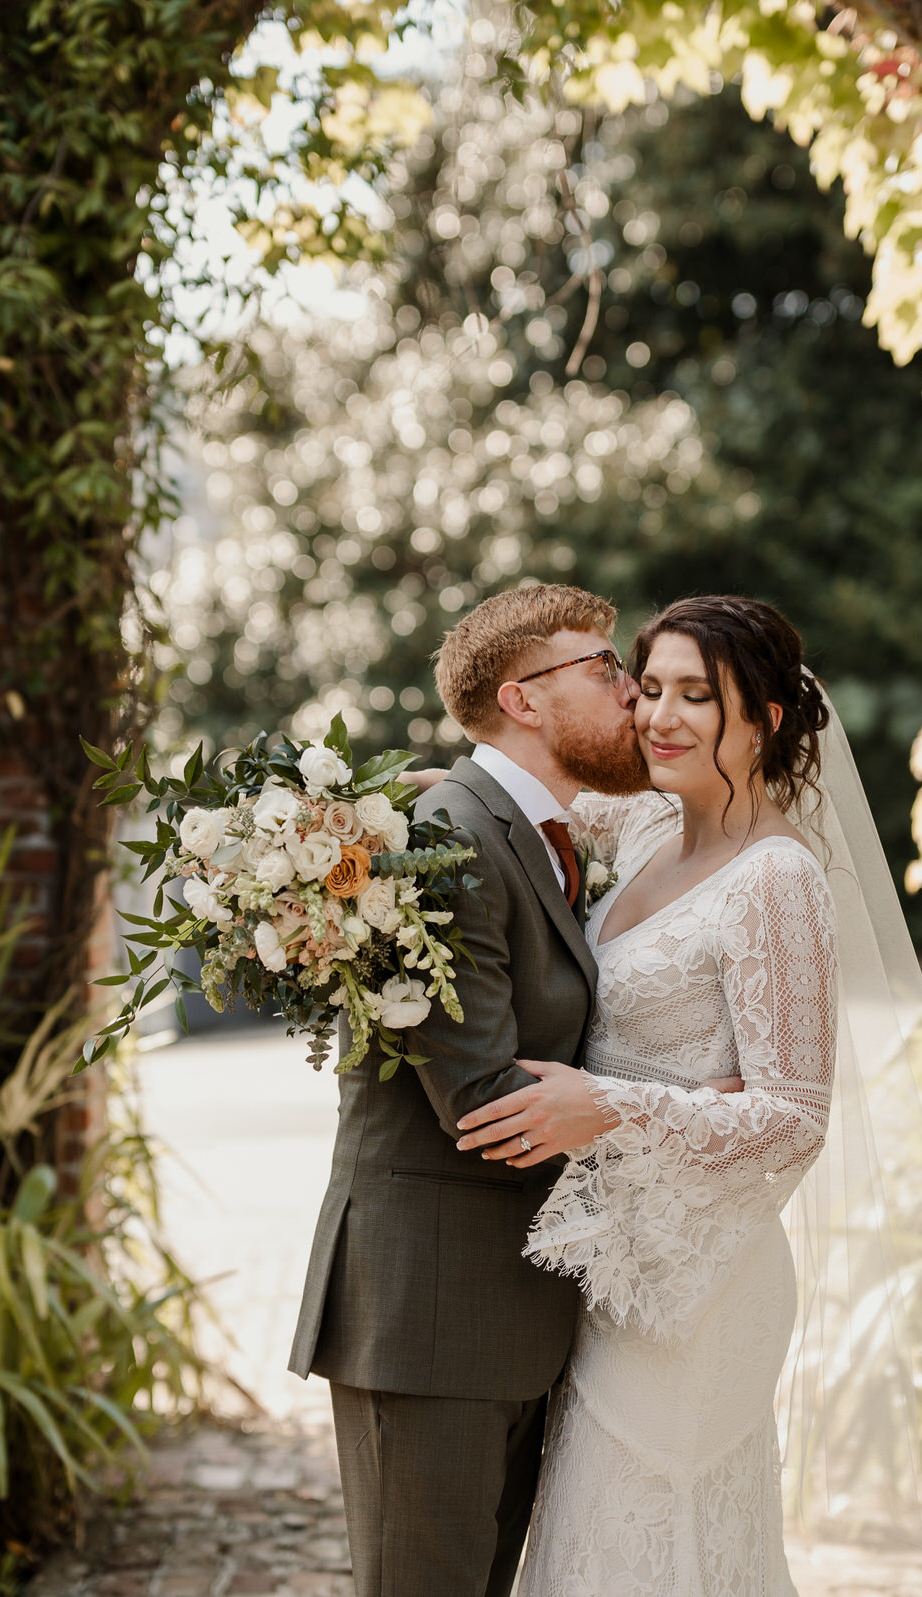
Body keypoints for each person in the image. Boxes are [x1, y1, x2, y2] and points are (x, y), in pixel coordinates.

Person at [452, 594, 839, 1595]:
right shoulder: (644, 828)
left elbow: (796, 1113)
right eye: (649, 685)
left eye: (696, 696)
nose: (659, 715)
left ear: (768, 718)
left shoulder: (776, 877)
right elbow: (506, 795)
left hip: (704, 1287)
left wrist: (612, 1107)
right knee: (590, 1540)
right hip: (616, 1259)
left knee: (659, 1543)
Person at [287, 583, 655, 1597]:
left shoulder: (540, 833)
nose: (634, 696)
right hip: (431, 1313)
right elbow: (488, 1104)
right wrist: (688, 1117)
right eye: (605, 670)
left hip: (505, 1311)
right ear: (524, 698)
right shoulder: (448, 836)